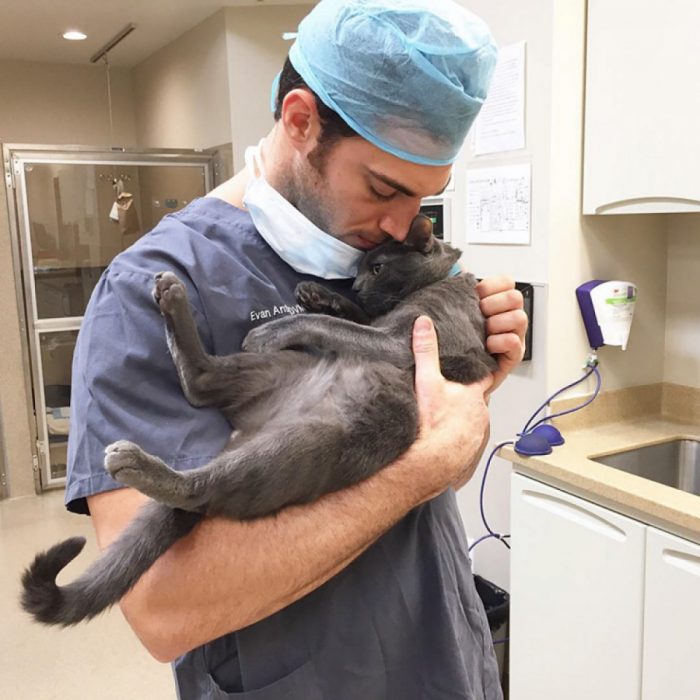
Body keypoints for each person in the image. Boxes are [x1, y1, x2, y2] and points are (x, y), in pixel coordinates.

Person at [65, 1, 527, 697]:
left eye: (428, 199)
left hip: (444, 664)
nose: (406, 226)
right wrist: (422, 467)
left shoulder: (381, 255)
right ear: (301, 119)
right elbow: (163, 607)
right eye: (384, 188)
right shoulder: (149, 292)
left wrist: (476, 385)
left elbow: (441, 463)